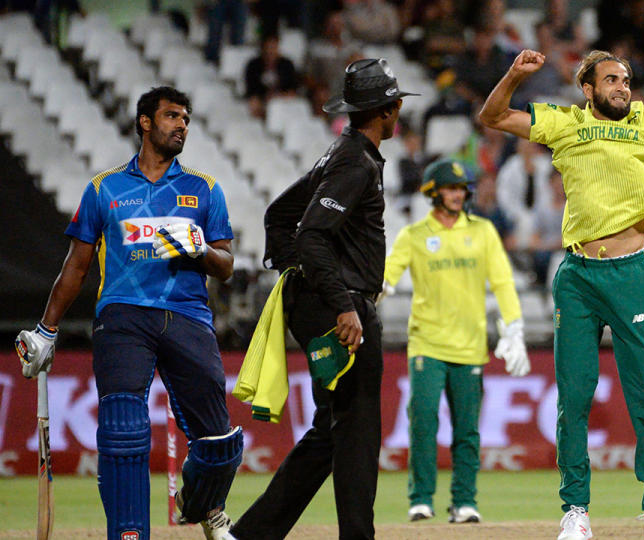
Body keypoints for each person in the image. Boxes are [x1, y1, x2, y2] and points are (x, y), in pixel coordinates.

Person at [478, 26, 644, 540]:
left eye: (626, 79)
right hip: (576, 276)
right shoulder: (564, 123)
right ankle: (576, 511)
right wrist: (513, 75)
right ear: (588, 89)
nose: (623, 86)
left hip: (631, 274)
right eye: (611, 79)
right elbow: (493, 117)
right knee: (574, 396)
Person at [14, 86, 242, 540]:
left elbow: (227, 266)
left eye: (187, 119)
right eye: (172, 116)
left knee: (218, 441)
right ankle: (129, 533)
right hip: (122, 316)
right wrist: (46, 329)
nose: (182, 125)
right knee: (123, 430)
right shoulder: (105, 188)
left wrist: (198, 248)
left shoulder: (205, 188)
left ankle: (202, 507)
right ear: (145, 122)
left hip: (188, 315)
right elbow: (76, 266)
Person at [229, 58, 416, 540]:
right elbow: (310, 233)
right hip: (345, 309)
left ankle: (249, 535)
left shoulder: (343, 152)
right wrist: (339, 303)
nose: (399, 111)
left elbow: (278, 215)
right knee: (356, 433)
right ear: (387, 110)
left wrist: (298, 280)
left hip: (330, 302)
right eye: (395, 104)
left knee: (333, 431)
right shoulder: (355, 161)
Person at [381, 158, 530, 524]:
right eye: (450, 188)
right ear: (433, 192)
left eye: (462, 189)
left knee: (467, 428)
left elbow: (503, 283)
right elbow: (386, 277)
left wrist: (514, 328)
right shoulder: (414, 236)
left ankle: (464, 501)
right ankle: (421, 498)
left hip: (470, 346)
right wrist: (363, 301)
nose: (457, 195)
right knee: (424, 419)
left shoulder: (482, 232)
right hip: (427, 344)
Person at [243, 33, 299, 119]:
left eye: (273, 48)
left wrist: (278, 96)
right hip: (261, 99)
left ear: (278, 48)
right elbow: (251, 88)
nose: (270, 51)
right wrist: (264, 97)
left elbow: (293, 88)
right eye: (267, 48)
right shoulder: (253, 65)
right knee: (254, 103)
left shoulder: (287, 65)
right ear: (262, 49)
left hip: (282, 98)